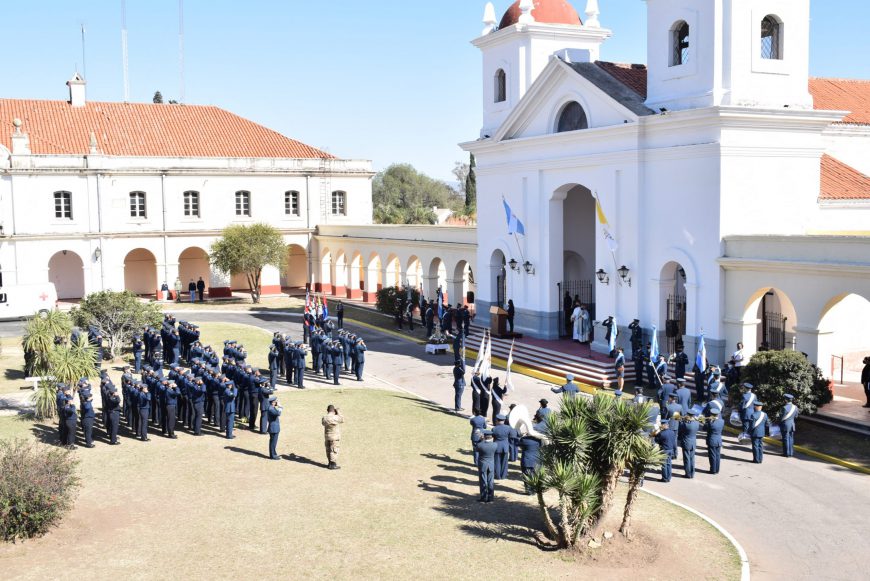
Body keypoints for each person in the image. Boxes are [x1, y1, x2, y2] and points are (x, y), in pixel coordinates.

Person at [518, 422, 542, 495]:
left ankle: (528, 490)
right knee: (535, 476)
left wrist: (523, 436)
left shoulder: (524, 439)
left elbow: (519, 445)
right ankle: (534, 490)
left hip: (526, 460)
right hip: (536, 460)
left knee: (526, 475)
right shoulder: (539, 440)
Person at [475, 431, 497, 503]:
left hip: (483, 465)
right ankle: (491, 499)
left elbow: (476, 448)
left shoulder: (480, 445)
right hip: (491, 465)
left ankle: (483, 497)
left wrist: (481, 439)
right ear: (491, 437)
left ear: (484, 437)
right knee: (490, 481)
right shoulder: (495, 445)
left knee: (483, 481)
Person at [678, 408, 700, 478]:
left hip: (686, 442)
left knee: (687, 459)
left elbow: (680, 431)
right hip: (693, 442)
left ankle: (688, 474)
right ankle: (692, 473)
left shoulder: (685, 424)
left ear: (688, 415)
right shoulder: (697, 423)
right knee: (692, 459)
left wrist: (682, 421)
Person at [322, 405, 344, 470]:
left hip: (327, 436)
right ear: (333, 410)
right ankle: (332, 465)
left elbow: (323, 423)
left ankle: (329, 463)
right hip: (334, 437)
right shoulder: (335, 417)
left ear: (327, 410)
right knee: (334, 450)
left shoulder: (324, 417)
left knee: (328, 450)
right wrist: (338, 412)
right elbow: (342, 419)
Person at [491, 414, 512, 480]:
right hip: (505, 446)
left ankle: (498, 476)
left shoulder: (494, 428)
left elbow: (493, 437)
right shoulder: (508, 428)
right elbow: (510, 436)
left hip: (497, 446)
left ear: (497, 420)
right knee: (504, 462)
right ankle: (503, 475)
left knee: (497, 461)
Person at [705, 408, 725, 474]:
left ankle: (713, 470)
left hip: (712, 440)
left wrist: (707, 421)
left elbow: (704, 428)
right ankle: (717, 470)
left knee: (712, 456)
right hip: (718, 440)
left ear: (711, 415)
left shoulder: (711, 423)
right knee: (717, 456)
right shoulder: (722, 421)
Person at [779, 394, 799, 458]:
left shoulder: (784, 408)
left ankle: (786, 453)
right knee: (791, 438)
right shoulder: (795, 407)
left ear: (786, 400)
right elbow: (796, 416)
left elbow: (781, 417)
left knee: (785, 439)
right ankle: (790, 453)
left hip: (785, 425)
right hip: (792, 424)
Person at [266, 395, 282, 460]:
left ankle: (273, 454)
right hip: (273, 428)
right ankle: (273, 455)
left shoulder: (271, 407)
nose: (276, 402)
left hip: (274, 427)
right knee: (273, 442)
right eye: (275, 401)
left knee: (273, 442)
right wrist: (280, 407)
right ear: (272, 402)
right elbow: (278, 413)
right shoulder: (271, 409)